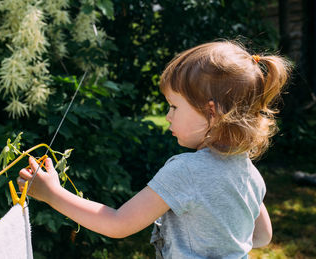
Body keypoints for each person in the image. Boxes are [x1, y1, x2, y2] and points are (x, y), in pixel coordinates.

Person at [18, 40, 291, 258]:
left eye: (174, 106)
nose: (168, 116)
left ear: (212, 112)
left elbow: (117, 224)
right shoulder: (250, 173)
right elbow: (262, 237)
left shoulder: (186, 170)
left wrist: (52, 194)